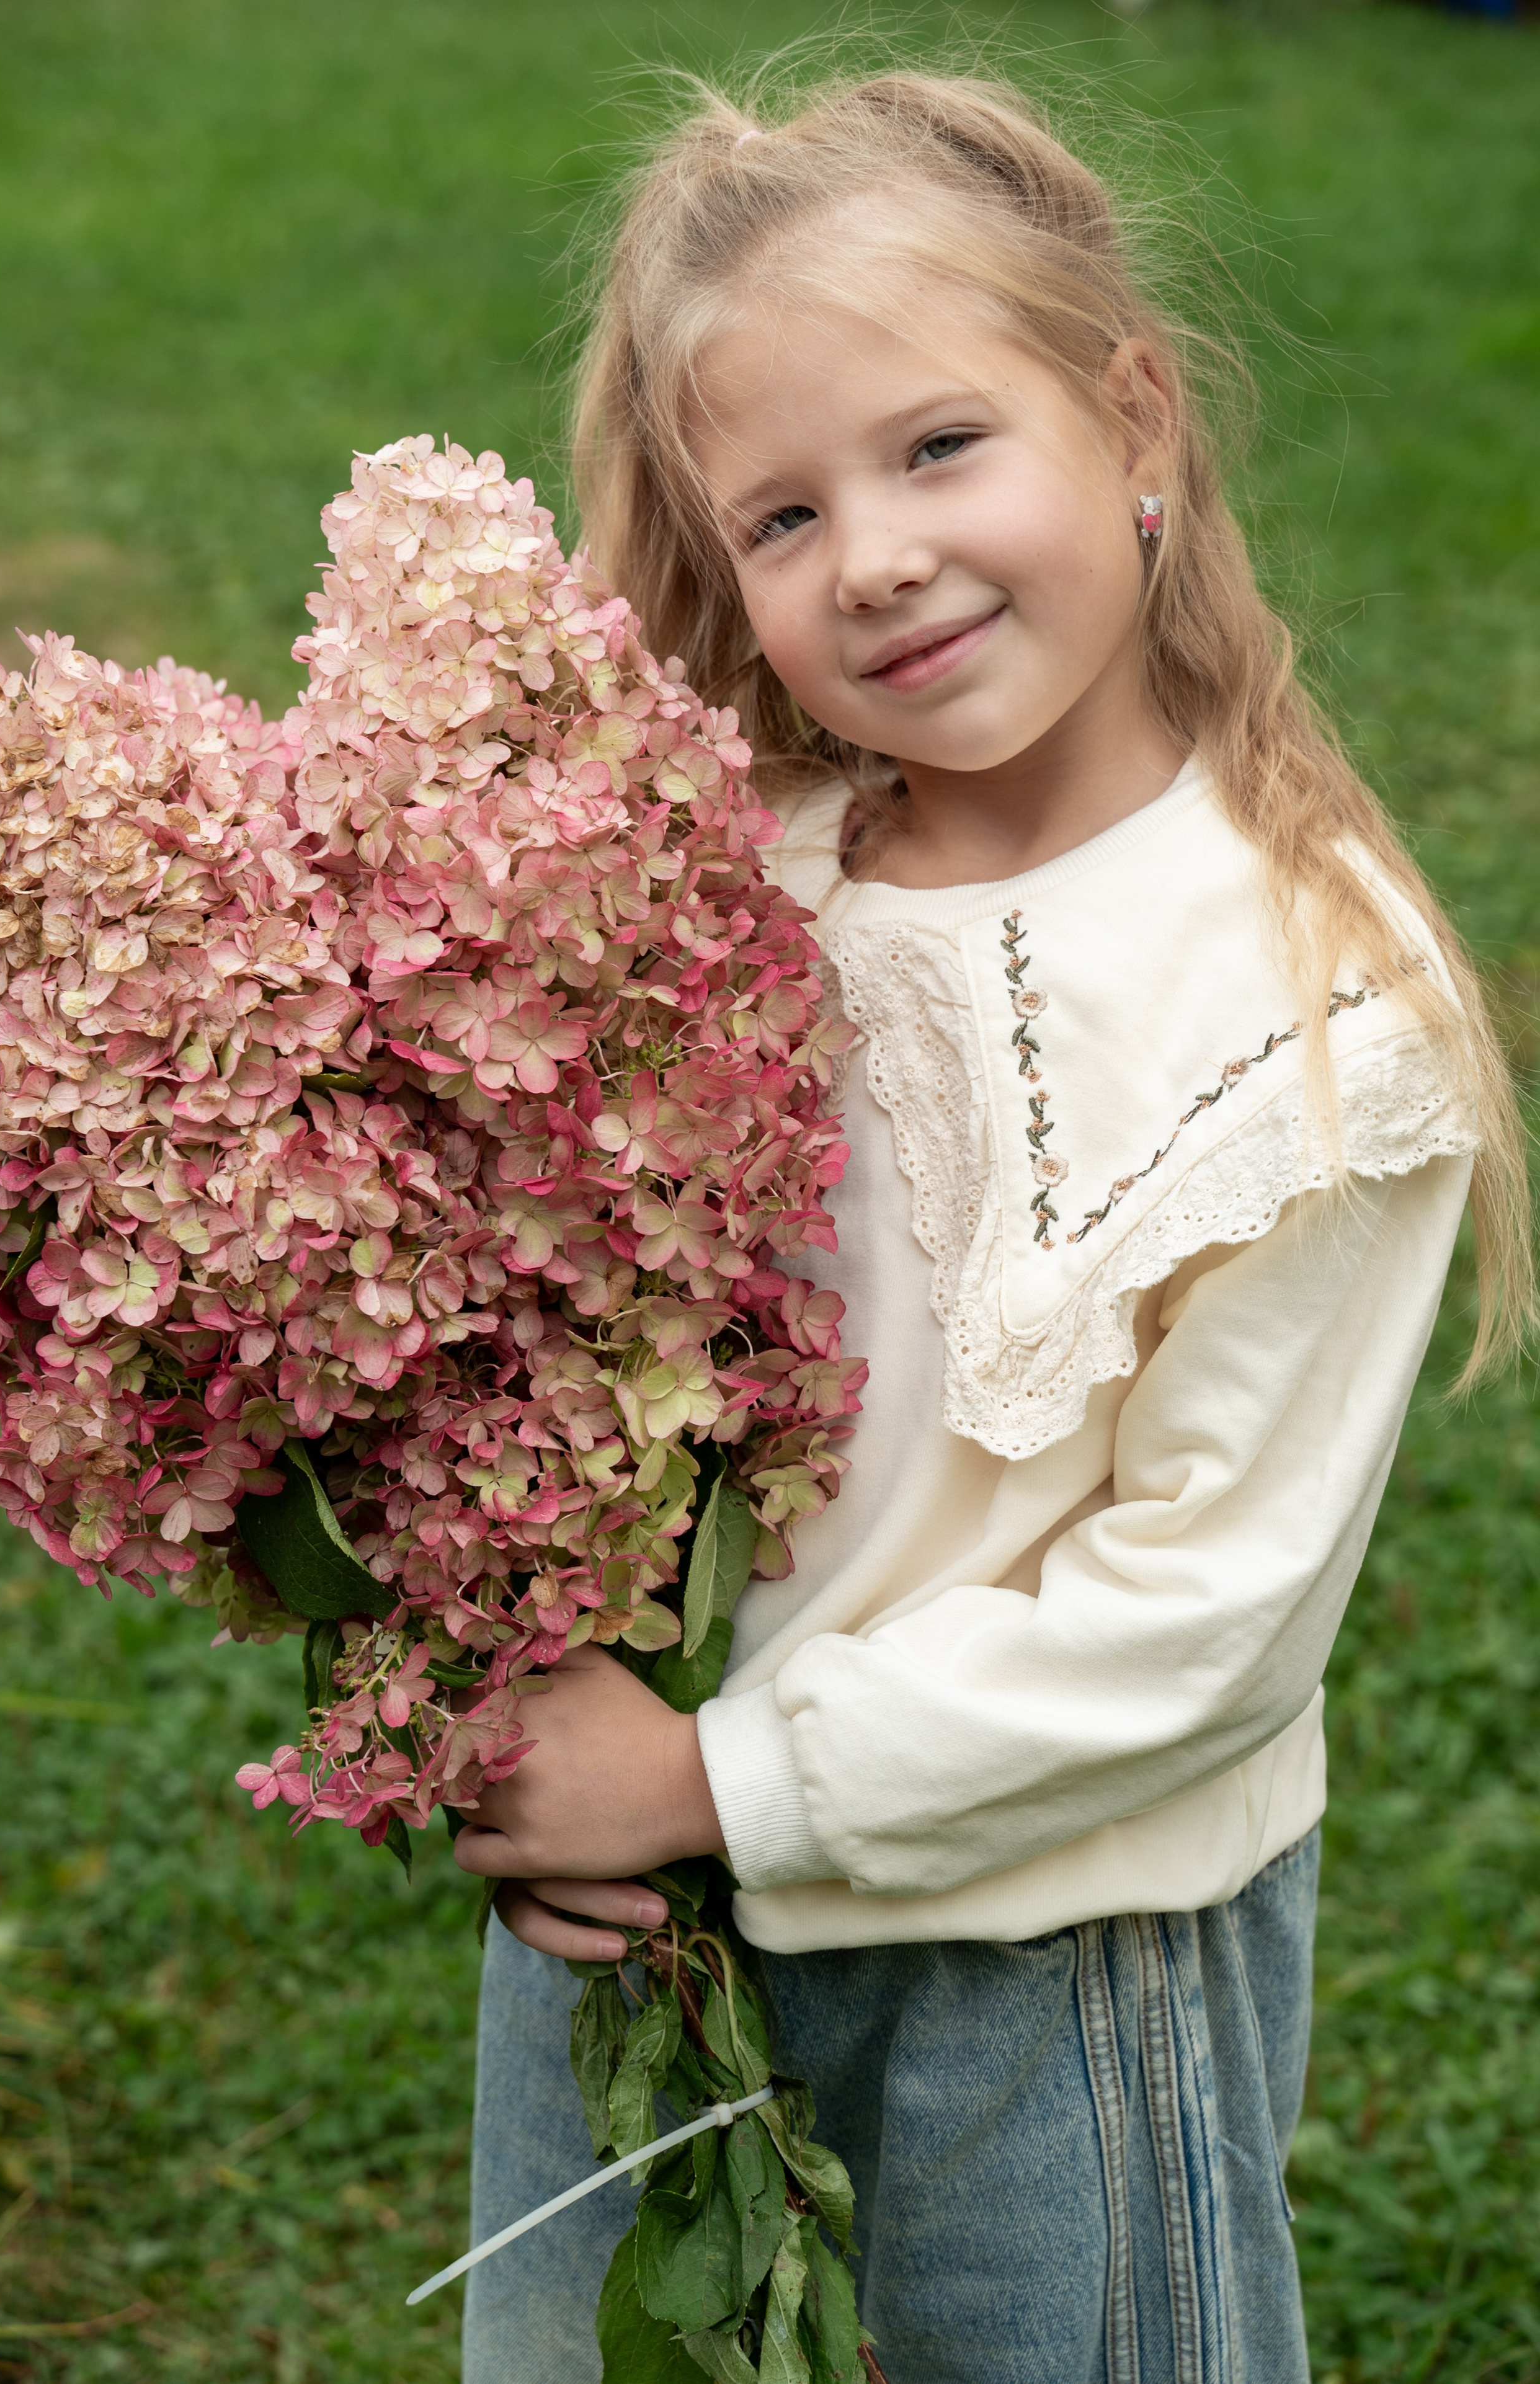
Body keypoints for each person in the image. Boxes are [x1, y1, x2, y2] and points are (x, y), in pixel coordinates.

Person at [451, 69, 1531, 2383]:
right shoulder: (725, 888)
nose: (879, 556)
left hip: (1045, 1988)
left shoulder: (1316, 1008)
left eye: (944, 447)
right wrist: (530, 1689)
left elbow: (1203, 1624)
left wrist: (712, 1777)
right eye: (783, 513)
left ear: (1133, 412)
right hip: (651, 1928)